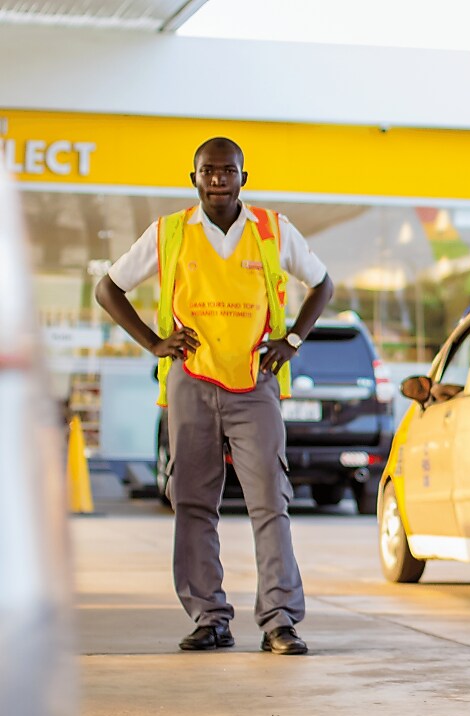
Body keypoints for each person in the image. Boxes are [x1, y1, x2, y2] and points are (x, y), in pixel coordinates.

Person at [95, 137, 334, 654]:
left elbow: (322, 284)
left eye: (228, 171)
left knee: (270, 501)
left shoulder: (273, 230)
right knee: (194, 503)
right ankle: (209, 618)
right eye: (209, 171)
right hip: (192, 381)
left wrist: (292, 339)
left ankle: (279, 623)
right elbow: (108, 288)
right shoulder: (169, 232)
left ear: (244, 178)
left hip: (254, 382)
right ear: (195, 178)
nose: (218, 178)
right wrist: (155, 343)